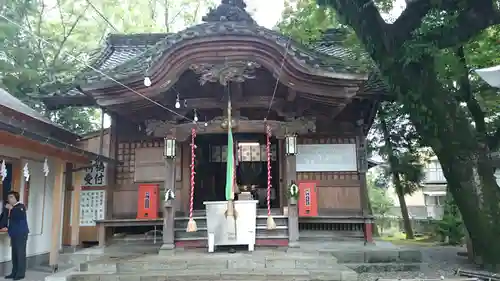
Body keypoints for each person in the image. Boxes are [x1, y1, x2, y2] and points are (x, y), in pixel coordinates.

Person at [5, 191, 29, 280]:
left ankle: (20, 274)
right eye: (8, 197)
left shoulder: (20, 207)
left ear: (16, 198)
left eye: (11, 197)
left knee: (20, 254)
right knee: (14, 254)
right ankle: (14, 272)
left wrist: (11, 209)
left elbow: (19, 215)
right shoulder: (12, 208)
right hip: (14, 234)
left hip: (21, 234)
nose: (9, 199)